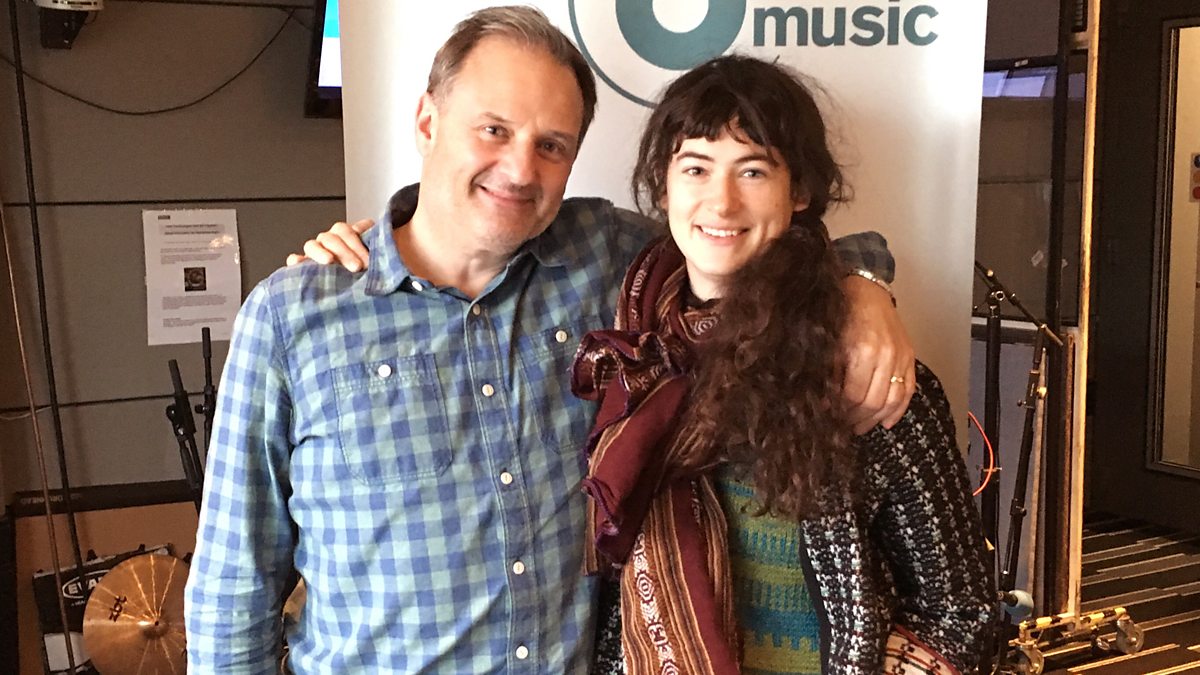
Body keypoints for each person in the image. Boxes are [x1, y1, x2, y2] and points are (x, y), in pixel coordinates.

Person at [185, 6, 914, 673]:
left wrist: (862, 282)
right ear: (428, 122)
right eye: (493, 129)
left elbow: (742, 240)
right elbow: (232, 593)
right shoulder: (294, 317)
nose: (519, 168)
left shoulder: (611, 260)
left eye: (551, 145)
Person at [575, 56, 992, 675]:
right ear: (664, 189)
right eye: (696, 168)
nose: (721, 202)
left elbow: (962, 614)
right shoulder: (633, 362)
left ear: (798, 192)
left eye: (753, 170)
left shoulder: (859, 368)